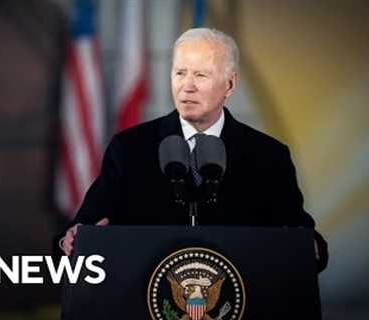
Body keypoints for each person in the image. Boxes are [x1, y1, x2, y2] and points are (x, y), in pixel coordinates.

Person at [59, 28, 328, 272]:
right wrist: (71, 239)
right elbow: (84, 228)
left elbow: (300, 235)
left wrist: (310, 246)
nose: (187, 86)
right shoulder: (130, 148)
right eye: (180, 73)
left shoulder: (269, 156)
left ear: (230, 85)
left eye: (200, 74)